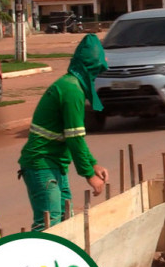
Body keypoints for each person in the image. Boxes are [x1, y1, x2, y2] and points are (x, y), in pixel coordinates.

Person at [18, 34, 110, 231]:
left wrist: (92, 163)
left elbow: (77, 138)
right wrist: (88, 174)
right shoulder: (71, 91)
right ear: (90, 68)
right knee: (49, 225)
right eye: (97, 71)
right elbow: (75, 138)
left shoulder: (71, 85)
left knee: (65, 221)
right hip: (41, 164)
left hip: (55, 164)